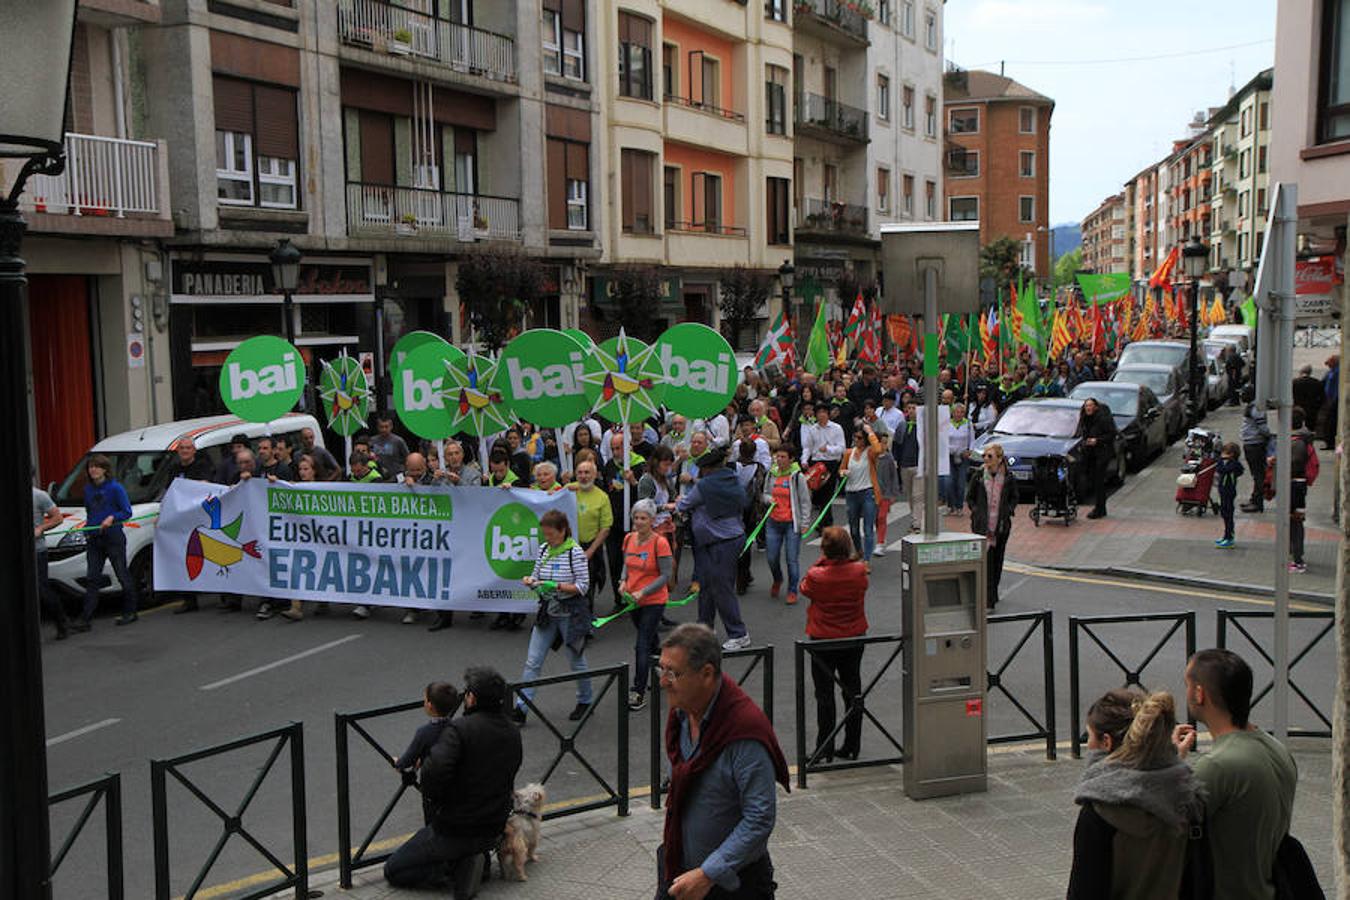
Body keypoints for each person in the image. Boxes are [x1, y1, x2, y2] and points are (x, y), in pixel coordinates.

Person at [656, 624, 790, 899]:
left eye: (673, 673)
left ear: (706, 674)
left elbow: (760, 817)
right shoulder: (682, 714)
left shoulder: (743, 731)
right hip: (679, 868)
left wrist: (708, 874)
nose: (663, 681)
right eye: (662, 669)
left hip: (733, 886)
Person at [1172, 649, 1297, 900]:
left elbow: (1164, 828)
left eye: (1187, 685)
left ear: (1199, 694)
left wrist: (1171, 762)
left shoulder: (1217, 766)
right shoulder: (1278, 750)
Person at [385, 667, 522, 894]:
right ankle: (476, 862)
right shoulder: (512, 730)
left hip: (456, 827)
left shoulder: (459, 729)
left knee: (395, 869)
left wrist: (440, 800)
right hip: (494, 825)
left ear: (472, 698)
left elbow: (432, 775)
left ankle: (458, 870)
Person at [1067, 690, 1201, 900]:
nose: (1088, 746)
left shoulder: (1100, 812)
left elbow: (1084, 892)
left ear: (1106, 742)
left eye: (1089, 736)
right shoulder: (1185, 796)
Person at [513, 510, 593, 725]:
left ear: (563, 530)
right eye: (545, 535)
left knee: (576, 660)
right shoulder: (543, 549)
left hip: (571, 613)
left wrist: (556, 586)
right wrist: (531, 581)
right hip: (548, 611)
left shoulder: (575, 552)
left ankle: (586, 701)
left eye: (551, 535)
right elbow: (537, 575)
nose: (548, 539)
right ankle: (521, 708)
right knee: (532, 661)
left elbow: (583, 586)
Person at [798, 527, 868, 763]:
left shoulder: (817, 575)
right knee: (852, 691)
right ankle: (852, 744)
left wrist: (823, 560)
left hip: (824, 639)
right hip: (853, 636)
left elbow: (804, 587)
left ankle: (824, 747)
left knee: (824, 695)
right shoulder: (859, 572)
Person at [676, 446, 751, 651]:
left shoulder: (705, 486)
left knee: (721, 588)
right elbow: (744, 502)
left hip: (720, 542)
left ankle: (739, 633)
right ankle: (704, 630)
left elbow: (684, 505)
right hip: (729, 538)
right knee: (707, 587)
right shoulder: (733, 480)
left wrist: (678, 503)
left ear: (708, 469)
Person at [621, 499, 673, 711]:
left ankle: (638, 691)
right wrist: (622, 581)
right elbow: (626, 564)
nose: (639, 522)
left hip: (653, 600)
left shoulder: (659, 542)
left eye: (644, 518)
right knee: (650, 638)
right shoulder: (629, 539)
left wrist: (644, 591)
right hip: (633, 600)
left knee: (641, 643)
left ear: (652, 520)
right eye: (636, 517)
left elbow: (666, 575)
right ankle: (668, 670)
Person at [80, 454, 138, 628]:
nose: (93, 470)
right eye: (91, 467)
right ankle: (85, 618)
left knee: (122, 574)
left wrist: (112, 517)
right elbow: (90, 512)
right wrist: (87, 527)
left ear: (105, 469)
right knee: (92, 578)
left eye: (97, 466)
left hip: (113, 537)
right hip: (94, 538)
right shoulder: (87, 490)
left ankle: (130, 611)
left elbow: (127, 512)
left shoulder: (115, 488)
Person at [966, 443, 1017, 610]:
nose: (986, 459)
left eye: (990, 456)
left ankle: (993, 591)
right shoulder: (979, 476)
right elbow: (970, 497)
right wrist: (976, 511)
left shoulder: (1009, 478)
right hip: (983, 526)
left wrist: (1008, 511)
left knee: (997, 560)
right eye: (985, 456)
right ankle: (989, 599)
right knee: (987, 562)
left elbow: (1014, 498)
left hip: (1001, 526)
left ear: (999, 459)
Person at [170, 437, 216, 614]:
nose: (185, 451)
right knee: (186, 558)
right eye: (182, 448)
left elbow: (204, 487)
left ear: (194, 450)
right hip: (182, 520)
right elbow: (170, 490)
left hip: (201, 518)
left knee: (211, 555)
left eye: (188, 448)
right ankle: (189, 599)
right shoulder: (174, 469)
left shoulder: (202, 466)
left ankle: (222, 594)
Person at [393, 682, 460, 800]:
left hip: (434, 787)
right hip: (456, 784)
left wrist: (397, 762)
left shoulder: (424, 733)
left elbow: (406, 762)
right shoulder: (457, 727)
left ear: (430, 705)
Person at [761, 447, 811, 606]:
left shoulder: (797, 477)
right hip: (773, 521)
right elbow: (765, 493)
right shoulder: (772, 474)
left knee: (791, 559)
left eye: (783, 456)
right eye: (777, 456)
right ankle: (778, 578)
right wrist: (769, 500)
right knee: (771, 557)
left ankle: (792, 590)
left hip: (791, 523)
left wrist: (805, 523)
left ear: (791, 459)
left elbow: (804, 501)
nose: (779, 459)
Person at [568, 459, 613, 619]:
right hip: (567, 548)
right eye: (580, 472)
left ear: (594, 475)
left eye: (587, 472)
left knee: (586, 589)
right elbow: (545, 495)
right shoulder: (568, 490)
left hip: (590, 548)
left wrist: (590, 551)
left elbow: (605, 527)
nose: (583, 476)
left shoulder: (602, 497)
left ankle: (585, 624)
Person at [838, 423, 882, 565]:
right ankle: (858, 551)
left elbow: (878, 449)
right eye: (855, 437)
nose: (856, 440)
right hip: (851, 493)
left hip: (867, 492)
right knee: (854, 528)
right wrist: (843, 472)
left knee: (868, 528)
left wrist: (870, 432)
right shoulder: (848, 453)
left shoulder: (870, 452)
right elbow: (841, 469)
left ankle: (867, 560)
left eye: (859, 438)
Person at [34, 481, 70, 639]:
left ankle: (62, 621)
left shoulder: (39, 496)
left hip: (37, 551)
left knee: (42, 590)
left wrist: (41, 528)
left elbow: (58, 517)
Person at [800, 404, 845, 529]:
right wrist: (804, 460)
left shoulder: (836, 428)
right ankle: (825, 520)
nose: (821, 415)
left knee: (828, 493)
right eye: (819, 412)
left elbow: (841, 448)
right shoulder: (813, 429)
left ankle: (825, 523)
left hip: (830, 463)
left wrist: (828, 449)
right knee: (818, 494)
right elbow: (807, 447)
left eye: (824, 412)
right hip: (816, 463)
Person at [1074, 398, 1117, 519]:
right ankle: (1100, 507)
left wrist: (1097, 440)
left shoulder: (1103, 419)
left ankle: (1100, 508)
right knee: (1093, 480)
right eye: (1086, 406)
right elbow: (1082, 432)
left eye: (1090, 405)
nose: (1088, 408)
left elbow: (1111, 434)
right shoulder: (1085, 419)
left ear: (1096, 407)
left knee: (1099, 481)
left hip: (1102, 453)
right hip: (1090, 453)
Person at [1285, 407, 1314, 574]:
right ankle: (1295, 554)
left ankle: (1298, 561)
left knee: (1295, 522)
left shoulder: (1297, 442)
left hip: (1295, 486)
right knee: (1294, 521)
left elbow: (1295, 464)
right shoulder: (1302, 439)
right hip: (1298, 486)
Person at [1239, 385, 1272, 513]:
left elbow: (1262, 427)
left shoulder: (1256, 409)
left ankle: (1257, 503)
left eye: (1243, 394)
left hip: (1254, 444)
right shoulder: (1253, 407)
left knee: (1258, 474)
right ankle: (1255, 499)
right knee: (1257, 474)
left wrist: (1269, 436)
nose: (1241, 396)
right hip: (1252, 443)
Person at [945, 402, 973, 516]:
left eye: (962, 412)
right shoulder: (946, 424)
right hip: (950, 455)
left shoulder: (968, 424)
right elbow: (943, 440)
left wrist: (969, 451)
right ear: (952, 413)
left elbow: (972, 440)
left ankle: (959, 506)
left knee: (961, 483)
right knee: (949, 482)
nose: (959, 414)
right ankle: (951, 505)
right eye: (957, 412)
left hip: (962, 456)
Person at [1215, 441, 1244, 549]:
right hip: (1222, 491)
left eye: (1225, 453)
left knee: (1228, 514)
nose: (1222, 455)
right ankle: (1225, 536)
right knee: (1224, 512)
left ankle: (1229, 537)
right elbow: (1219, 469)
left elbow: (1228, 470)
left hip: (1229, 491)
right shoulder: (1222, 462)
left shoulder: (1234, 464)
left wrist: (1225, 464)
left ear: (1231, 454)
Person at [370, 414, 410, 478]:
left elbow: (408, 458)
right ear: (377, 427)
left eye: (386, 427)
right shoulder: (372, 441)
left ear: (391, 427)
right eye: (381, 427)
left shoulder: (398, 441)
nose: (384, 429)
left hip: (396, 476)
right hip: (378, 476)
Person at [1319, 354, 1339, 450]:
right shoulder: (1331, 372)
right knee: (1328, 421)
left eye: (1329, 362)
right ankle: (1328, 441)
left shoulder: (1337, 371)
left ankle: (1330, 442)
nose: (1327, 364)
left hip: (1333, 400)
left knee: (1330, 422)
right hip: (1329, 399)